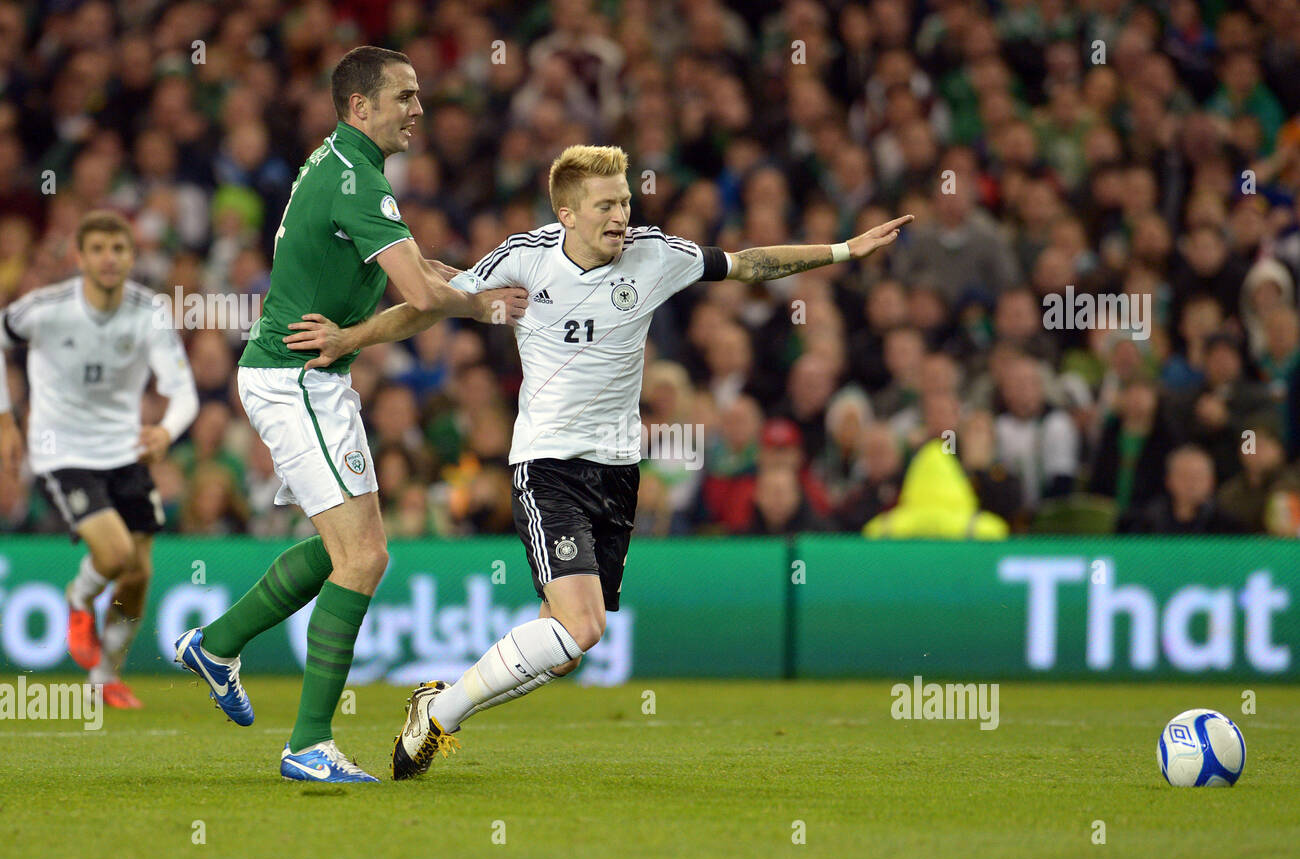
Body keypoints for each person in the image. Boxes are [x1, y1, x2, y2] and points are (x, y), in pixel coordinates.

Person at [284, 144, 912, 779]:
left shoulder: (657, 253)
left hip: (618, 472)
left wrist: (842, 251)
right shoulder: (524, 259)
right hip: (548, 466)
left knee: (562, 647)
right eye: (606, 205)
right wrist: (349, 339)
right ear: (567, 213)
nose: (621, 216)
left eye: (626, 202)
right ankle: (440, 715)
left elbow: (748, 264)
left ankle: (437, 704)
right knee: (582, 628)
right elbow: (430, 304)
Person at [171, 46, 526, 783]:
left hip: (312, 377)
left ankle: (218, 644)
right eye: (405, 96)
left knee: (359, 552)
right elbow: (422, 301)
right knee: (360, 560)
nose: (418, 109)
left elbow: (420, 273)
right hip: (297, 378)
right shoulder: (358, 182)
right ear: (360, 106)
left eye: (419, 95)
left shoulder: (341, 166)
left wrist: (483, 281)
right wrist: (489, 305)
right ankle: (307, 744)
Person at [0, 210, 198, 708]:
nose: (109, 259)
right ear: (80, 256)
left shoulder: (147, 312)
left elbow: (183, 392)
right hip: (61, 449)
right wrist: (6, 419)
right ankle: (77, 596)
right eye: (99, 249)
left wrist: (165, 432)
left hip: (124, 450)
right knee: (114, 556)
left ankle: (106, 673)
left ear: (132, 257)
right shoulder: (46, 309)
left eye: (119, 249)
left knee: (138, 574)